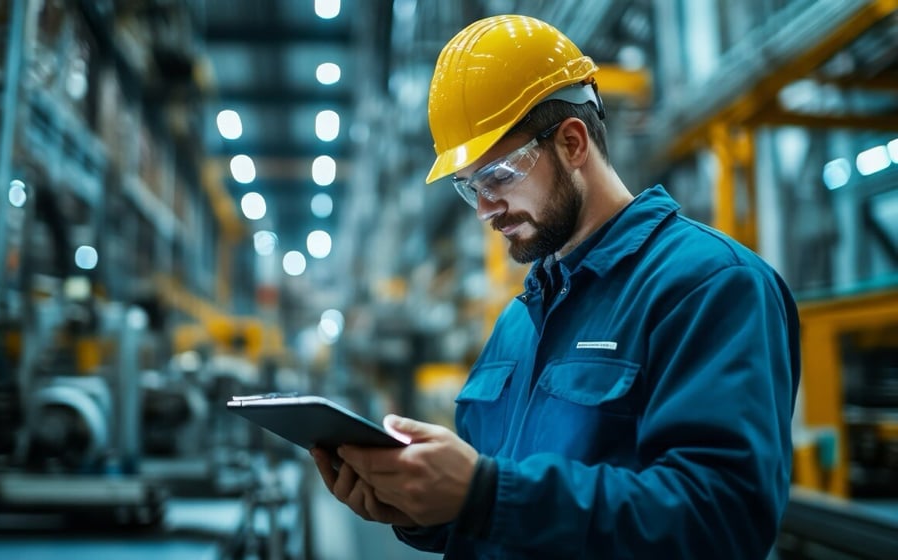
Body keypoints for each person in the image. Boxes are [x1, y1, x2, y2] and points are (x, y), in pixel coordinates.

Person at [312, 14, 800, 559]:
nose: (484, 209)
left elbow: (723, 521)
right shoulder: (519, 321)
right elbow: (490, 511)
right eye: (469, 186)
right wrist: (418, 508)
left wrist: (486, 494)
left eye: (497, 176)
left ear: (572, 144)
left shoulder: (709, 286)